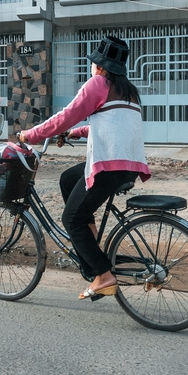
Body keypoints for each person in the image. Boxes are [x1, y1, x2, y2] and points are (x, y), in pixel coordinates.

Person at [19, 36, 151, 300]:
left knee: (71, 219)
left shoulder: (99, 84)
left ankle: (103, 275)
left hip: (109, 166)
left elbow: (66, 115)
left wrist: (31, 135)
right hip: (129, 166)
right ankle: (91, 247)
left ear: (100, 67)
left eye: (93, 63)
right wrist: (75, 134)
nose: (92, 67)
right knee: (69, 179)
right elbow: (110, 127)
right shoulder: (129, 90)